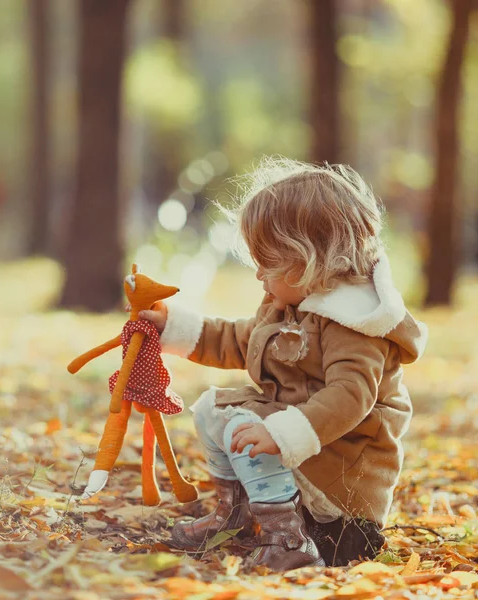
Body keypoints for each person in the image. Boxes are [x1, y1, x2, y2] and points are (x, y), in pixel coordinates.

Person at [139, 158, 427, 571]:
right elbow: (242, 340)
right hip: (309, 461)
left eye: (267, 262)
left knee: (243, 426)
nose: (258, 274)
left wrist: (281, 433)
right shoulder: (288, 305)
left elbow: (351, 397)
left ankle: (290, 538)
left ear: (309, 258)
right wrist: (174, 329)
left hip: (339, 486)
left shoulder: (355, 322)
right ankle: (239, 515)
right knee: (212, 411)